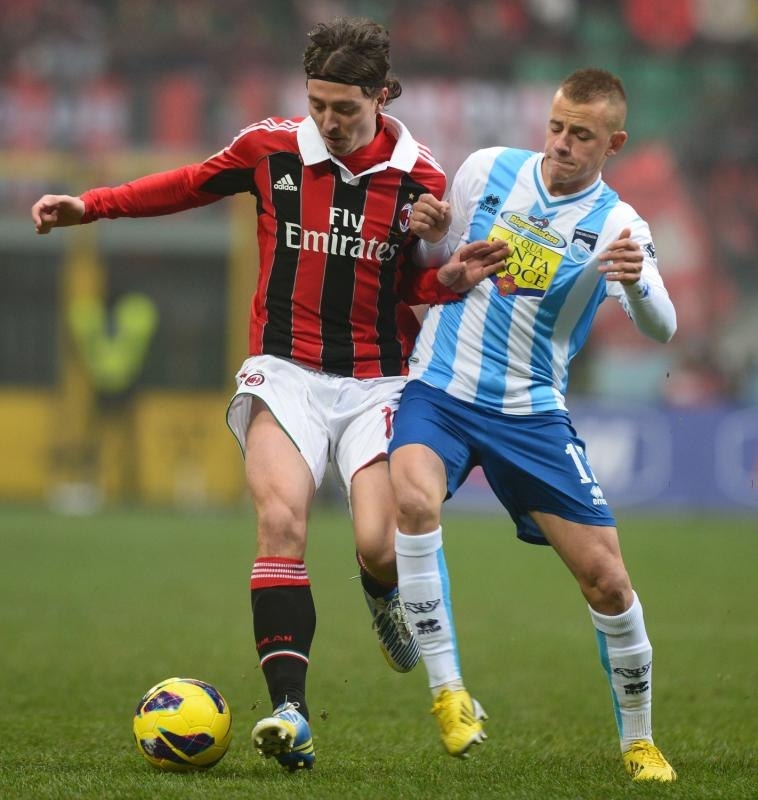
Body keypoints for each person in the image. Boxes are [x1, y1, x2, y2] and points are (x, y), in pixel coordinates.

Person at [31, 16, 507, 772]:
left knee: (380, 545)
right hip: (284, 372)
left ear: (381, 96)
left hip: (379, 381)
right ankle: (290, 712)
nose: (329, 121)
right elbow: (186, 184)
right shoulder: (271, 147)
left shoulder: (421, 178)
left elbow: (415, 287)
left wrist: (448, 272)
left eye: (345, 108)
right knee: (280, 521)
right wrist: (91, 205)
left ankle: (382, 592)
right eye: (317, 104)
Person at [389, 67, 678, 782]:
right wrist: (429, 239)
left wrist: (636, 282)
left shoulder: (619, 224)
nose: (562, 143)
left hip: (531, 414)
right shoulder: (487, 168)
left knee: (608, 581)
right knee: (414, 501)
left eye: (581, 134)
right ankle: (449, 693)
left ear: (614, 143)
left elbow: (662, 328)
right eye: (556, 127)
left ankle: (640, 742)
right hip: (441, 389)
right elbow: (436, 264)